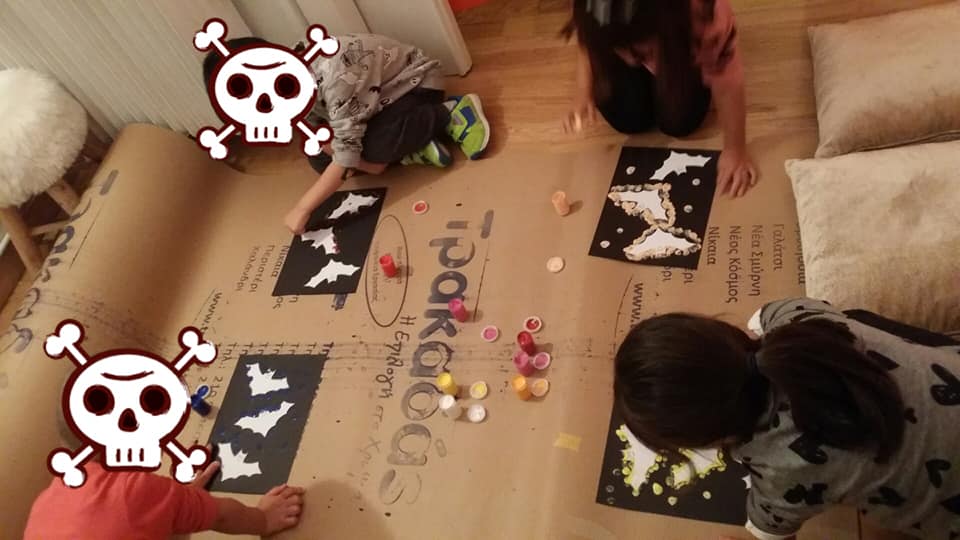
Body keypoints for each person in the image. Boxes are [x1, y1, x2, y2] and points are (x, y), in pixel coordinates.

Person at [613, 298, 960, 539]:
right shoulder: (796, 315)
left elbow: (769, 532)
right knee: (853, 318)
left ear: (711, 439)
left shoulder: (780, 476)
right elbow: (760, 318)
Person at [202, 36, 490, 234]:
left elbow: (344, 150)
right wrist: (359, 161)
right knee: (318, 159)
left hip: (415, 87)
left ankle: (448, 114)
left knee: (372, 149)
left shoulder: (334, 77)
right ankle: (413, 143)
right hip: (370, 107)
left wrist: (303, 208)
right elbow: (321, 131)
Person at [23, 385, 305, 539]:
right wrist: (263, 518)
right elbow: (223, 516)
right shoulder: (134, 491)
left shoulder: (45, 501)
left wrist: (181, 500)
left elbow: (113, 519)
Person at [562, 0, 758, 197]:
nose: (630, 61)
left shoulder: (706, 16)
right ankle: (630, 52)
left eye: (641, 53)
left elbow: (728, 86)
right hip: (631, 32)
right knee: (626, 118)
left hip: (679, 49)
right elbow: (589, 34)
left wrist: (735, 150)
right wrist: (583, 89)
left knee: (680, 122)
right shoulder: (596, 12)